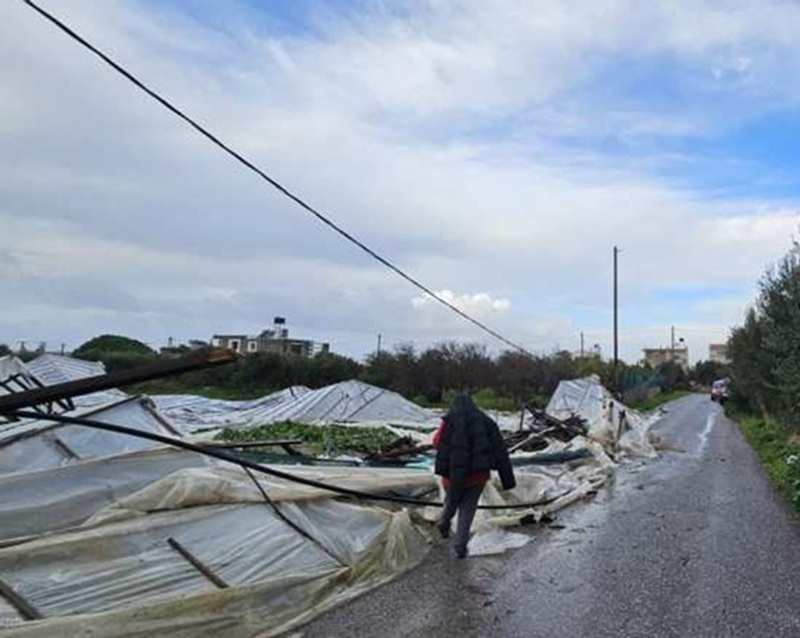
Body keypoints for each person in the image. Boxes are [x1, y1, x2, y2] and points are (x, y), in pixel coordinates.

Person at [433, 394, 516, 558]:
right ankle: (460, 546)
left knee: (451, 501)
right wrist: (506, 477)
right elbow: (499, 448)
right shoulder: (486, 421)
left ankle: (444, 522)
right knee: (467, 510)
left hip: (452, 476)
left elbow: (436, 442)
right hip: (478, 476)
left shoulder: (449, 421)